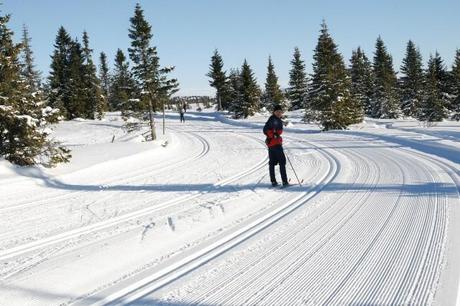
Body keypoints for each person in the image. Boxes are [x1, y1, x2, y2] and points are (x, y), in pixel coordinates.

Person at [263, 105, 289, 187]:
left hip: (272, 144)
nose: (279, 113)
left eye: (280, 112)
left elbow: (276, 131)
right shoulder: (274, 120)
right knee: (282, 162)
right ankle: (284, 182)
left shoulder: (275, 119)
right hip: (275, 144)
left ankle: (273, 181)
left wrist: (274, 135)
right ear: (274, 112)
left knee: (272, 163)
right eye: (277, 111)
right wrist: (273, 135)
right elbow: (265, 130)